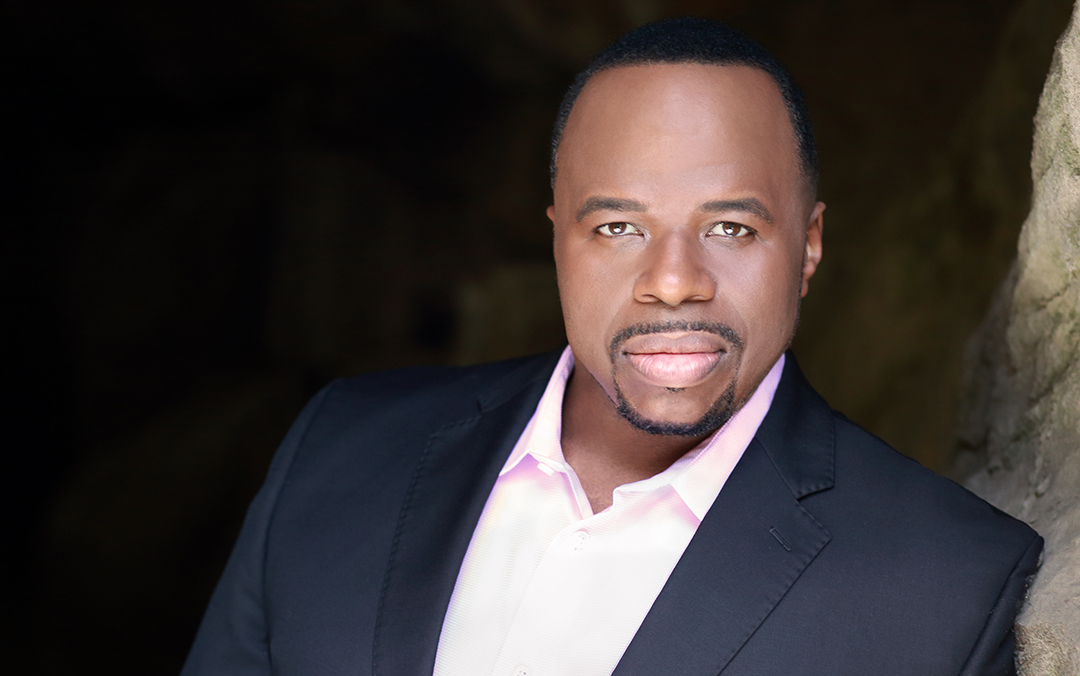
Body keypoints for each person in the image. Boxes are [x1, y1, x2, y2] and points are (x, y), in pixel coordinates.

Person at [182, 17, 1041, 676]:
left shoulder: (946, 587)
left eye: (732, 227)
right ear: (557, 236)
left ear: (809, 248)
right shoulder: (340, 450)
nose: (673, 280)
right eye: (620, 225)